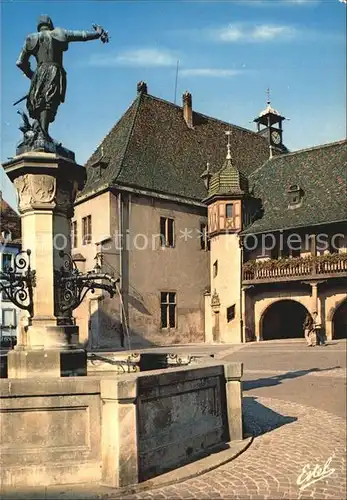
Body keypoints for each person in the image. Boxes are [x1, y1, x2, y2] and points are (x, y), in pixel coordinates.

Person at [16, 15, 105, 140]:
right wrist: (97, 34)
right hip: (54, 70)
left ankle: (41, 132)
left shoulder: (31, 39)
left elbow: (20, 63)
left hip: (39, 72)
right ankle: (43, 133)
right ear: (50, 24)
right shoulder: (59, 33)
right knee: (49, 100)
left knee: (39, 100)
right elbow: (81, 35)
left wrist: (32, 75)